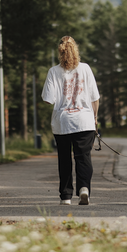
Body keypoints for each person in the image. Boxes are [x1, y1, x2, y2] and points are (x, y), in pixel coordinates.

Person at [42, 36, 100, 205]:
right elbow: (95, 98)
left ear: (60, 52)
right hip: (84, 121)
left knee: (64, 159)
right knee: (83, 157)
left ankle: (66, 196)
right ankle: (84, 189)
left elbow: (48, 99)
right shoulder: (86, 68)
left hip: (63, 123)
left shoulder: (53, 71)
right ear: (76, 50)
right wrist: (95, 118)